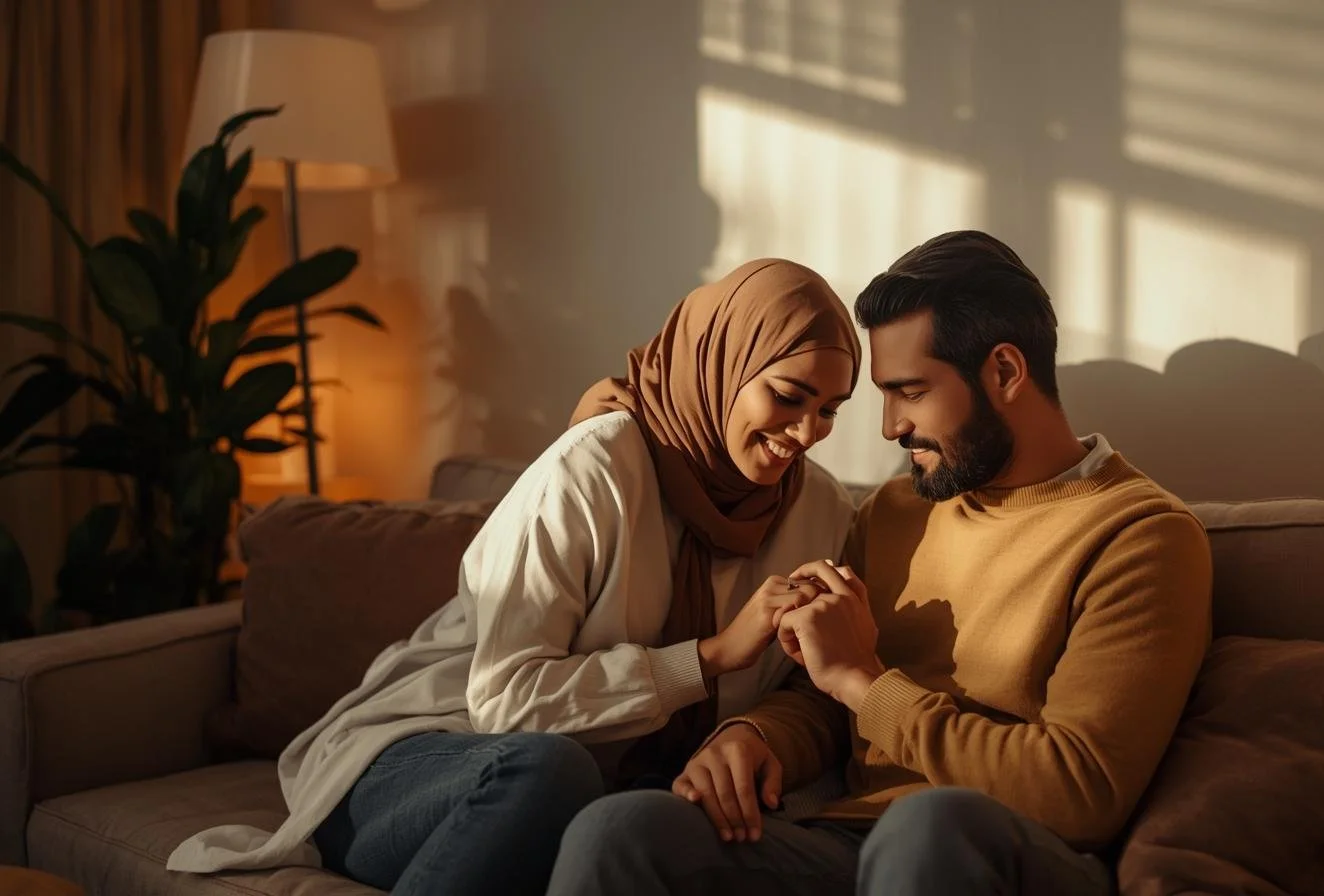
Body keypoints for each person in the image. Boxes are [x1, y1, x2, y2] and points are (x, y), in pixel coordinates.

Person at [546, 231, 1214, 896]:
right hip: (848, 845)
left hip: (1010, 850)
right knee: (624, 829)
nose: (890, 427)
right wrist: (753, 736)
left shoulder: (1140, 537)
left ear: (1005, 373)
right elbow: (824, 694)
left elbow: (1079, 793)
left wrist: (867, 684)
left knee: (928, 826)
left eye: (910, 392)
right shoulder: (897, 510)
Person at [166, 259, 863, 894]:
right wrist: (712, 657)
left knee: (632, 819)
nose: (805, 433)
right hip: (430, 762)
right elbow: (504, 703)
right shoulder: (594, 470)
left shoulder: (821, 510)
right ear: (720, 363)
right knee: (548, 770)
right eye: (788, 396)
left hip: (608, 792)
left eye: (829, 410)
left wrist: (754, 733)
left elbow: (818, 693)